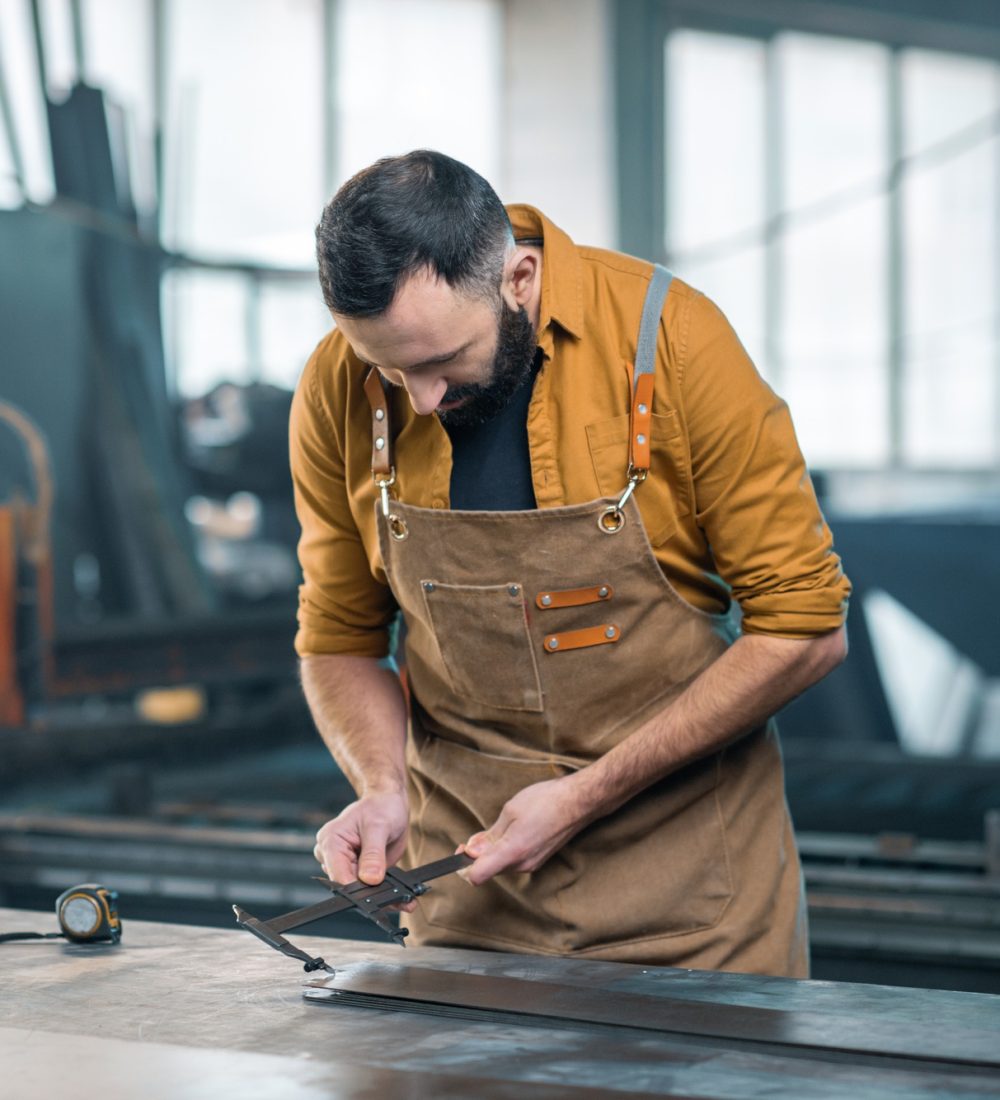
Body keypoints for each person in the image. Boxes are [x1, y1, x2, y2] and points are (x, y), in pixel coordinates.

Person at [292, 150, 849, 977]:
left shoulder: (674, 341)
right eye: (390, 370)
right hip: (466, 904)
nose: (420, 399)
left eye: (444, 361)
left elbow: (805, 630)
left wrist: (586, 794)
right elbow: (339, 637)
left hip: (692, 905)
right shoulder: (337, 386)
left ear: (518, 277)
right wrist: (381, 785)